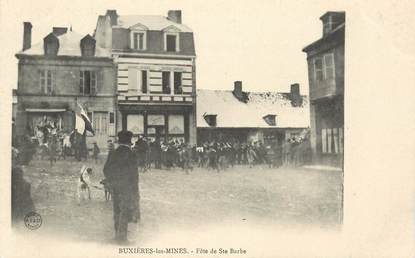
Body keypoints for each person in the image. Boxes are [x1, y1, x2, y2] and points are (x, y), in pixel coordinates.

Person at [103, 130, 139, 244]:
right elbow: (134, 174)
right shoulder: (131, 154)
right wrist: (135, 189)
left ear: (119, 141)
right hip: (127, 187)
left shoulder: (113, 153)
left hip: (115, 187)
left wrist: (112, 181)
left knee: (117, 210)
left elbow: (106, 170)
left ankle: (116, 236)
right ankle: (122, 239)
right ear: (129, 142)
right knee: (125, 211)